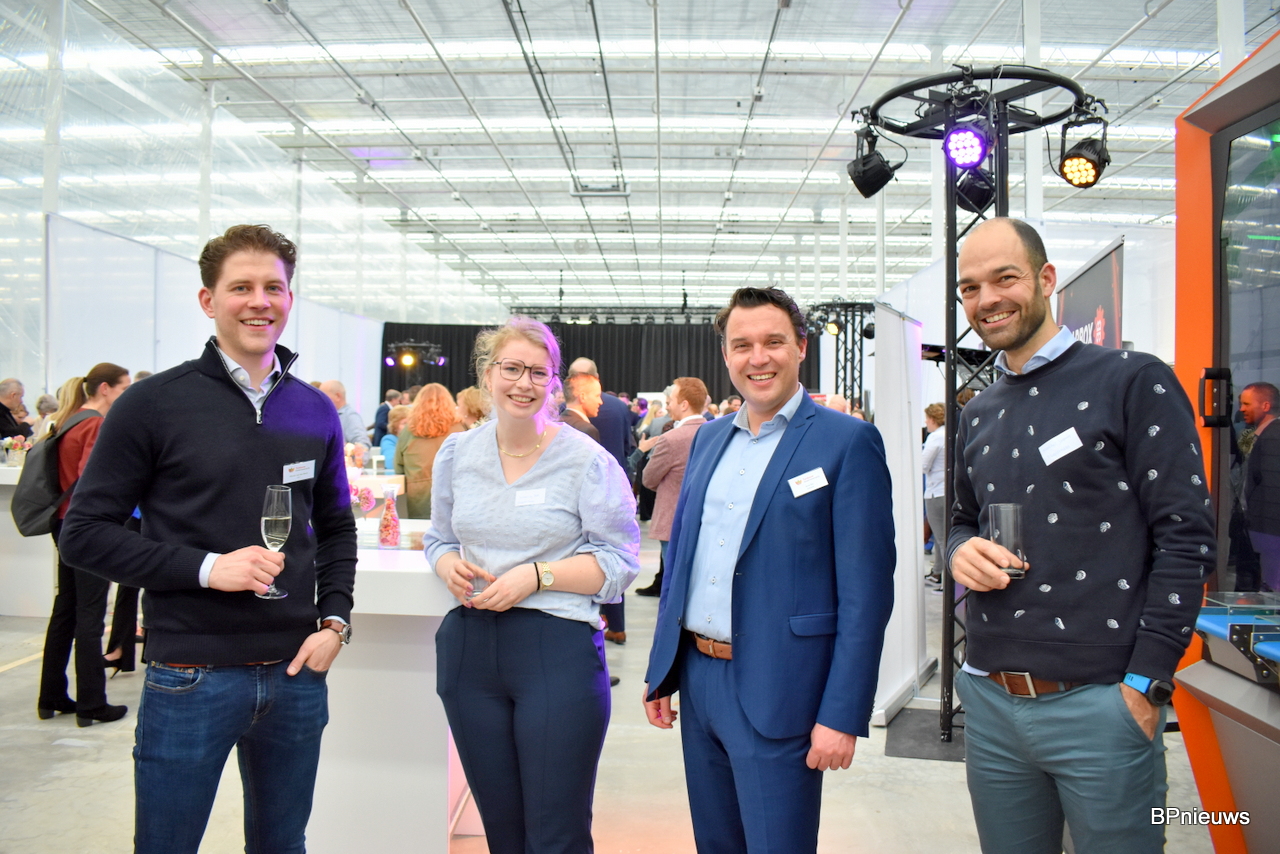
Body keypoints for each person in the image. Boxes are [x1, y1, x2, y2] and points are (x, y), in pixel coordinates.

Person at [59, 224, 357, 854]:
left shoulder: (313, 408)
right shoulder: (151, 404)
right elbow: (83, 535)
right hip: (190, 674)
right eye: (241, 287)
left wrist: (335, 622)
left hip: (296, 673)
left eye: (273, 287)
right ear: (208, 300)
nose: (259, 301)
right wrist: (206, 567)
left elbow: (335, 527)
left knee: (283, 844)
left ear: (289, 298)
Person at [947, 217, 1214, 854]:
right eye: (970, 288)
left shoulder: (1132, 380)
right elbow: (961, 518)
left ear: (1045, 279)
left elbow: (1186, 538)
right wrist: (959, 550)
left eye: (1005, 278)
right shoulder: (978, 411)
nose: (987, 299)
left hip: (1101, 704)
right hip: (989, 698)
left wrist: (1147, 685)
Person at [643, 286, 896, 853]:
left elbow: (867, 594)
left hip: (785, 688)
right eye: (742, 345)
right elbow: (681, 560)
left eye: (773, 342)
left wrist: (842, 713)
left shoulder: (847, 442)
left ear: (801, 347)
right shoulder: (708, 439)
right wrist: (662, 669)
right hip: (699, 681)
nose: (758, 358)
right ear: (726, 355)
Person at [424, 317, 640, 853]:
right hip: (471, 647)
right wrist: (446, 562)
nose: (524, 383)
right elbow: (440, 537)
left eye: (538, 372)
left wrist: (538, 575)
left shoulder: (586, 461)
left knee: (555, 832)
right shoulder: (458, 453)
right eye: (512, 368)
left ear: (553, 382)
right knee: (503, 830)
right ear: (487, 375)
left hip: (556, 649)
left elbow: (619, 563)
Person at [36, 363, 132, 727]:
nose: (125, 396)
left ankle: (50, 695)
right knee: (90, 616)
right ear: (105, 389)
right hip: (89, 529)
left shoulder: (67, 420)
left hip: (63, 524)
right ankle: (92, 702)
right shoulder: (94, 424)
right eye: (123, 389)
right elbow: (94, 481)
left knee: (66, 609)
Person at [568, 356, 635, 645]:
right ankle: (616, 625)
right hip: (613, 492)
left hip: (577, 503)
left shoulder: (560, 416)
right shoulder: (619, 407)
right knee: (612, 555)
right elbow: (627, 447)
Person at [634, 376, 708, 598]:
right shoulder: (715, 433)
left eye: (670, 401)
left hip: (673, 521)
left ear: (684, 404)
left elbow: (648, 479)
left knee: (675, 587)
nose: (667, 406)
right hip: (705, 520)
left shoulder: (671, 439)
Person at [393, 382, 462, 519]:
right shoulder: (459, 428)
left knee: (420, 531)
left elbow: (398, 466)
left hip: (418, 496)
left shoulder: (408, 431)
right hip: (452, 491)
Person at [1241, 381, 1280, 591]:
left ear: (1265, 406)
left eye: (1247, 404)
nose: (1241, 409)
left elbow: (1272, 490)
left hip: (1268, 533)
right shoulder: (1261, 435)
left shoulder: (1273, 437)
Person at [921, 402, 947, 588]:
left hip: (936, 492)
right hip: (946, 490)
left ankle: (948, 580)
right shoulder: (950, 434)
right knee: (942, 536)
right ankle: (938, 572)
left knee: (941, 538)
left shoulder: (935, 438)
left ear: (932, 419)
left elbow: (923, 465)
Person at [321, 379, 371, 448]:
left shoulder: (350, 416)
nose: (320, 401)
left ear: (338, 396)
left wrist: (347, 450)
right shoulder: (330, 416)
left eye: (324, 397)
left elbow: (363, 445)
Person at [560, 373, 602, 441]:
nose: (600, 402)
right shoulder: (587, 430)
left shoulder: (554, 425)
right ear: (582, 397)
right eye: (597, 396)